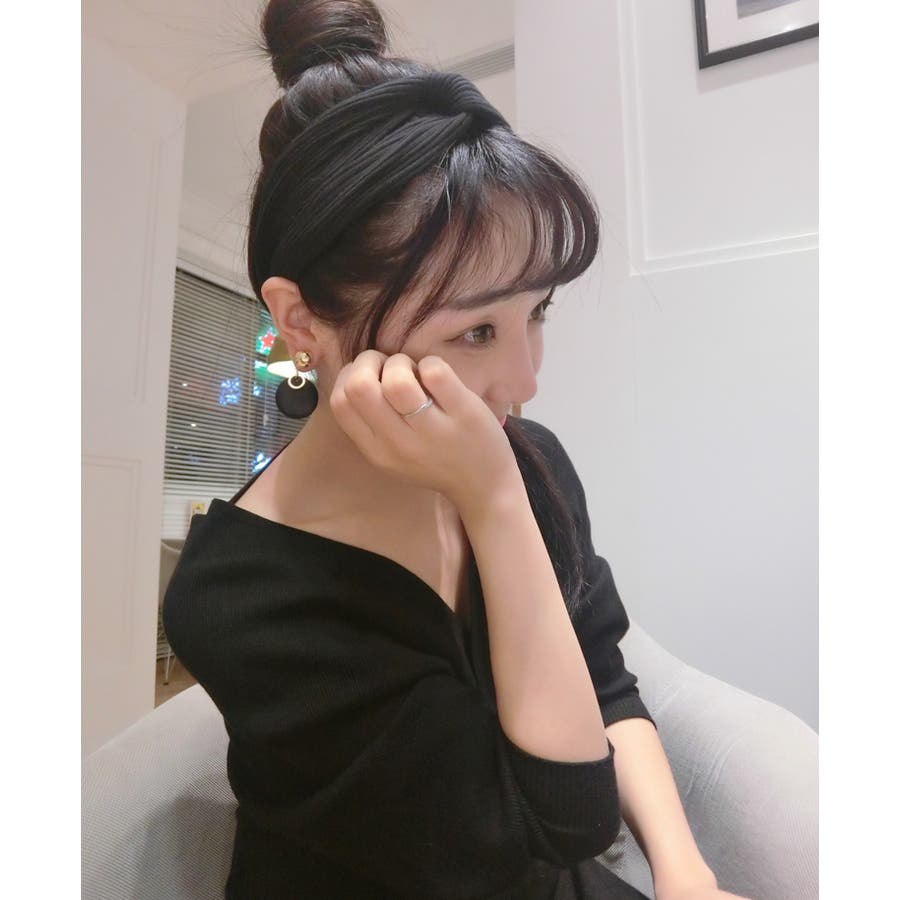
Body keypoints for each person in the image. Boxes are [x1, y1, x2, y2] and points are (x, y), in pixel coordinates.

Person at [163, 2, 751, 898]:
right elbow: (560, 826)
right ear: (300, 322)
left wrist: (685, 873)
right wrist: (494, 502)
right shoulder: (245, 600)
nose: (526, 380)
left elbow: (603, 680)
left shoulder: (526, 455)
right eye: (476, 331)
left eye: (536, 312)